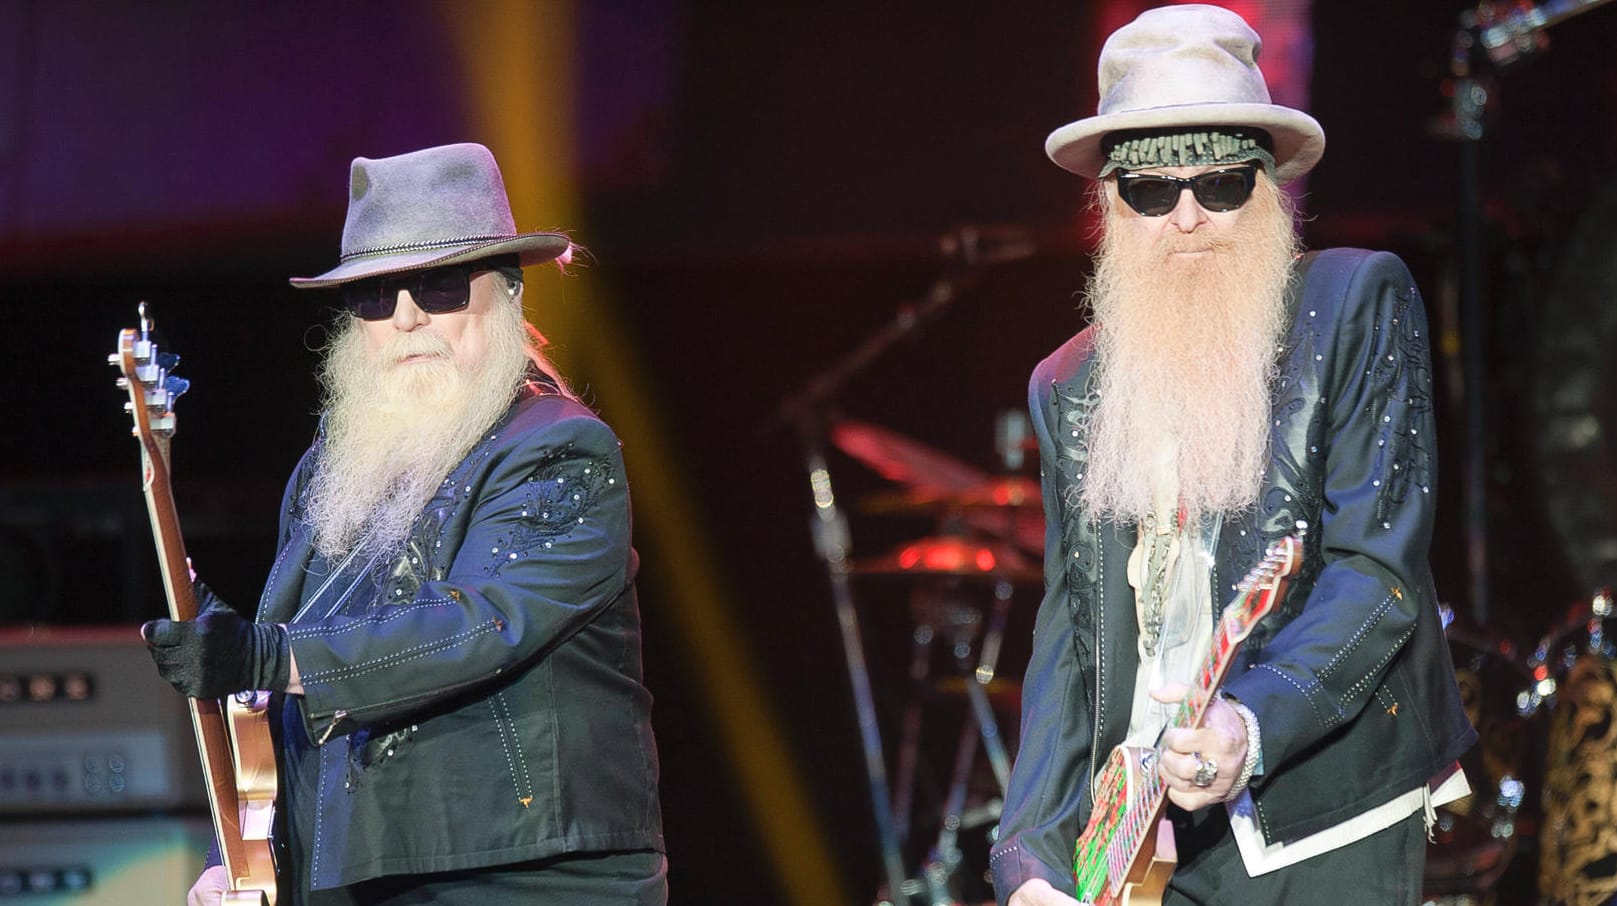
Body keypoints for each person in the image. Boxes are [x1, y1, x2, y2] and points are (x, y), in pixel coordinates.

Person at [988, 7, 1476, 905]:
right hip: (1148, 837)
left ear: (1264, 187)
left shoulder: (1353, 301)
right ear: (1109, 201)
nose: (1185, 218)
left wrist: (1249, 723)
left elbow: (1378, 570)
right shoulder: (1069, 383)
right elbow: (1068, 634)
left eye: (1216, 185)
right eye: (1149, 191)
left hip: (1325, 814)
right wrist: (1027, 853)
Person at [144, 142, 666, 905]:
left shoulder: (556, 446)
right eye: (375, 296)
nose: (407, 316)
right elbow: (298, 686)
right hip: (369, 873)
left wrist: (265, 656)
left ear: (508, 295)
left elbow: (480, 624)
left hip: (519, 872)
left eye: (441, 286)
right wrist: (262, 864)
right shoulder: (332, 471)